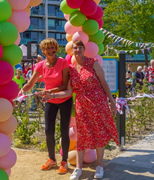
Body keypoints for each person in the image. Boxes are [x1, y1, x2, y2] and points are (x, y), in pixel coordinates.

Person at [41, 40, 119, 179]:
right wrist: (50, 96)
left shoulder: (93, 62)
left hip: (98, 103)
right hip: (82, 105)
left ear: (84, 49)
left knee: (99, 134)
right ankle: (78, 168)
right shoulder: (71, 69)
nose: (78, 50)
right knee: (81, 135)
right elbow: (68, 91)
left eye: (80, 47)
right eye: (75, 48)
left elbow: (104, 83)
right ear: (72, 51)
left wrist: (112, 103)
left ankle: (99, 166)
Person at [21, 38, 72, 174]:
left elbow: (64, 85)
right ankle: (52, 159)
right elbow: (31, 83)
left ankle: (64, 161)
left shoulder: (63, 62)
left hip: (64, 99)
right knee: (49, 131)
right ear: (43, 51)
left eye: (53, 47)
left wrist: (49, 91)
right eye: (47, 48)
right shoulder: (41, 65)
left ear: (56, 49)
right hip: (50, 101)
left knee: (64, 131)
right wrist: (22, 91)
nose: (50, 50)